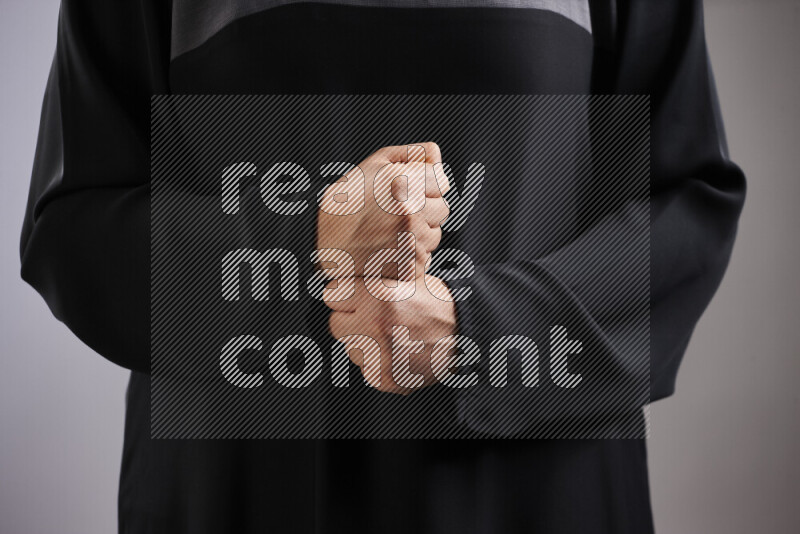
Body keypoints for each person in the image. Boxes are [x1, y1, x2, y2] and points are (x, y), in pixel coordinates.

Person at [20, 1, 745, 532]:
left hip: (536, 503)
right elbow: (74, 227)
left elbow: (684, 205)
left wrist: (481, 332)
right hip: (238, 501)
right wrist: (309, 240)